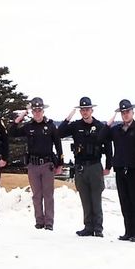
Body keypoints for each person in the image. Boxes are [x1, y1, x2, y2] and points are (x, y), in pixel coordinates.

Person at [58, 97, 111, 237]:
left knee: (96, 198)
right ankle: (88, 227)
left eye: (87, 109)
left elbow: (108, 147)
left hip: (95, 166)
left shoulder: (100, 126)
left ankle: (98, 228)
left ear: (92, 110)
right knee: (85, 199)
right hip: (80, 167)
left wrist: (108, 166)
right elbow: (59, 133)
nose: (85, 112)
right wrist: (69, 117)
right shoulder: (76, 126)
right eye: (82, 109)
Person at [11, 97, 63, 230]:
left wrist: (60, 164)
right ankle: (39, 221)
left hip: (47, 165)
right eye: (35, 110)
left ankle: (49, 222)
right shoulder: (28, 127)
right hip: (33, 165)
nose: (38, 113)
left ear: (43, 111)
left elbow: (58, 146)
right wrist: (22, 115)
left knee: (48, 195)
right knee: (36, 195)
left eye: (39, 110)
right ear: (32, 112)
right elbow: (12, 131)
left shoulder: (50, 126)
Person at [108, 99, 135, 242]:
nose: (125, 115)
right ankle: (128, 231)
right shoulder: (116, 130)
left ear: (132, 112)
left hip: (134, 169)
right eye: (123, 112)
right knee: (124, 201)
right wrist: (108, 125)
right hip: (120, 169)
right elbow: (101, 138)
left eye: (128, 112)